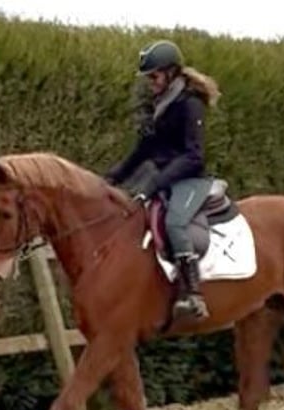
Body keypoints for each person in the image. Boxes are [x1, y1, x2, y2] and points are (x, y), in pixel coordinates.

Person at [104, 39, 221, 321]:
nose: (151, 82)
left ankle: (193, 295)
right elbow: (144, 150)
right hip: (163, 178)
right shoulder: (159, 105)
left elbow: (194, 156)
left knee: (174, 222)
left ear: (171, 73)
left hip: (190, 180)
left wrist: (153, 185)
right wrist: (111, 178)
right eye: (148, 78)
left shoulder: (190, 104)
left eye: (154, 77)